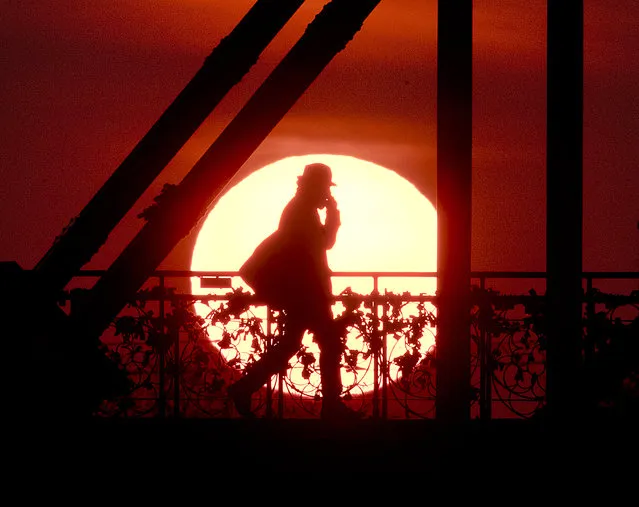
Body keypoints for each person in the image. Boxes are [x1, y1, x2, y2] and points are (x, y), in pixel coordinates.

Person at [228, 162, 361, 420]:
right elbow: (325, 243)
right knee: (329, 344)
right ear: (315, 186)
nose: (327, 194)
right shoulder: (302, 212)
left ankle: (244, 388)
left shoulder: (300, 209)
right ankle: (332, 406)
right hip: (307, 292)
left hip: (303, 291)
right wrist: (334, 215)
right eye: (324, 188)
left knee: (293, 344)